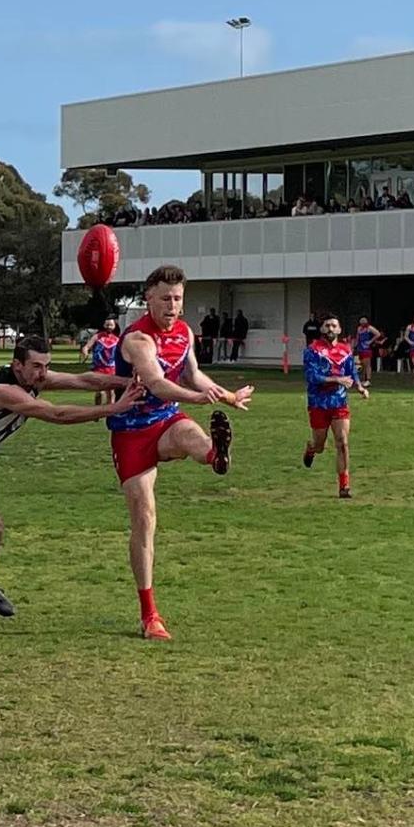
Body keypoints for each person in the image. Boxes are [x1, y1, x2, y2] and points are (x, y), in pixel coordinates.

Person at [107, 265, 254, 641]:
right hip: (131, 432)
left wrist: (226, 395)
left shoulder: (185, 332)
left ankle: (215, 456)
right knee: (144, 516)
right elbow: (156, 383)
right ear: (148, 299)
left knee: (192, 436)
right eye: (165, 299)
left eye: (178, 299)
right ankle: (149, 614)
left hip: (167, 420)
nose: (172, 307)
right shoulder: (138, 340)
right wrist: (198, 397)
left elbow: (193, 375)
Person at [0, 335, 143, 617]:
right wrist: (113, 408)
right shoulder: (3, 391)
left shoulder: (33, 379)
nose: (43, 373)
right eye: (36, 366)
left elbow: (85, 381)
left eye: (46, 366)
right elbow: (57, 414)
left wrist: (129, 383)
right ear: (17, 365)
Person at [302, 314, 369, 499]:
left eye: (334, 326)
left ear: (339, 329)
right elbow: (311, 377)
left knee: (342, 442)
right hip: (318, 403)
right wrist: (336, 379)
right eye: (327, 325)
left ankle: (344, 485)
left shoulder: (346, 350)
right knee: (320, 445)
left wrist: (360, 387)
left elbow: (352, 372)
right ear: (322, 329)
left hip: (339, 402)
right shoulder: (312, 350)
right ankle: (311, 449)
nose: (330, 329)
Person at [80, 316, 120, 405]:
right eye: (107, 324)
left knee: (111, 392)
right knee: (100, 392)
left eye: (111, 325)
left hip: (112, 369)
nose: (109, 327)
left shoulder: (117, 340)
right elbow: (87, 346)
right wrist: (85, 351)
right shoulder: (97, 337)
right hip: (99, 368)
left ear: (114, 326)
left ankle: (110, 412)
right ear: (104, 325)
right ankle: (97, 411)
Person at [353, 316, 381, 387]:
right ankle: (363, 379)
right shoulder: (359, 328)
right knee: (362, 364)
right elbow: (357, 337)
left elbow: (378, 334)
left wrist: (371, 341)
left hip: (366, 348)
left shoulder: (369, 328)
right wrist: (354, 346)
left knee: (367, 364)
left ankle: (368, 380)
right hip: (360, 348)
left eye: (363, 322)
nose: (362, 324)